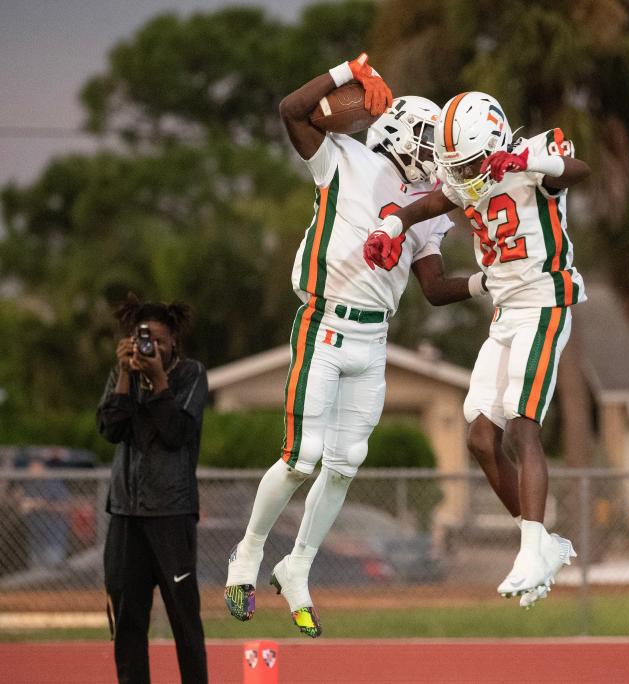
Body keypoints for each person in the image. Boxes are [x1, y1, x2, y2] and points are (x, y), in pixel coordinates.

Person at [224, 53, 488, 637]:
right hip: (322, 322)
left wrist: (486, 282)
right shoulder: (343, 158)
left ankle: (297, 568)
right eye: (425, 138)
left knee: (345, 465)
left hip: (375, 339)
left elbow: (436, 289)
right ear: (395, 130)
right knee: (301, 457)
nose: (433, 153)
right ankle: (246, 554)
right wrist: (347, 71)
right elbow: (292, 108)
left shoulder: (428, 210)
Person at [365, 91, 590, 608]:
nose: (463, 176)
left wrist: (524, 159)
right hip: (506, 312)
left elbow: (577, 169)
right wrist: (392, 225)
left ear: (494, 145)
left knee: (522, 423)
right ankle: (542, 543)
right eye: (456, 166)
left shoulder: (534, 160)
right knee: (480, 439)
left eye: (470, 163)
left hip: (544, 302)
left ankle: (533, 548)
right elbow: (431, 202)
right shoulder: (469, 179)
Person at [97, 296, 208, 684]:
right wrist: (126, 375)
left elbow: (177, 433)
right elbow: (111, 429)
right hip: (126, 514)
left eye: (159, 340)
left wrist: (159, 381)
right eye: (143, 340)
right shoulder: (121, 376)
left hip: (171, 514)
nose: (151, 348)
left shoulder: (191, 374)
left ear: (173, 339)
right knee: (128, 621)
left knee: (184, 619)